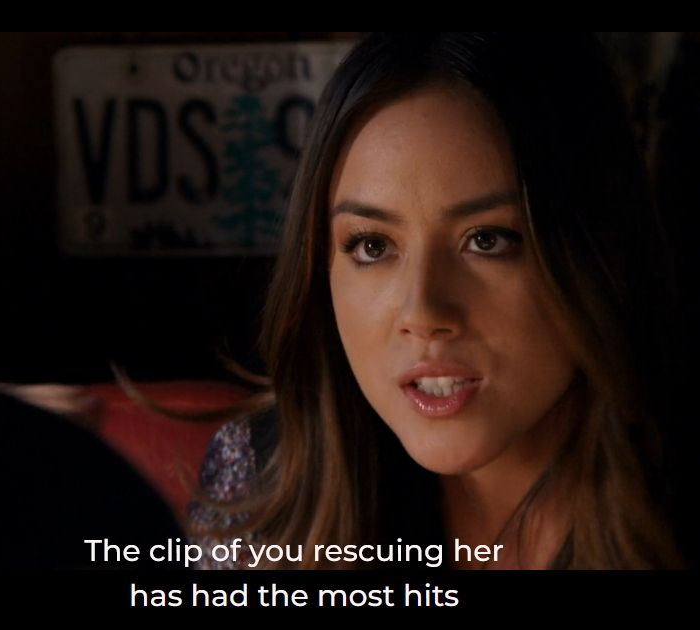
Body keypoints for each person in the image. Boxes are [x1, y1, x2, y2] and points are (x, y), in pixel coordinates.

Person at [188, 32, 687, 570]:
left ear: (598, 252)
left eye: (487, 240)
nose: (422, 313)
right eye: (372, 246)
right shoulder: (262, 490)